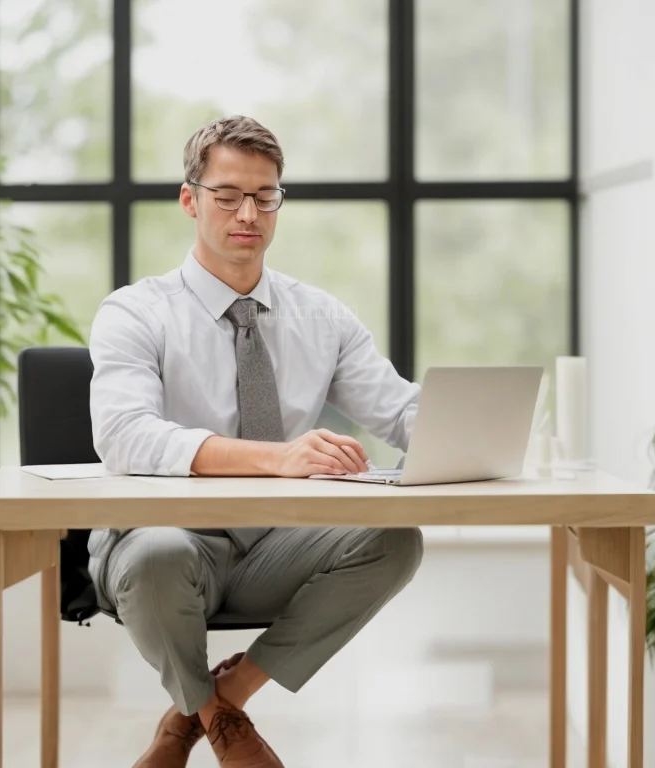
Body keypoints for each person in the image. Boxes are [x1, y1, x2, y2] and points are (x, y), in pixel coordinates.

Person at [87, 115, 424, 768]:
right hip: (163, 544)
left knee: (395, 540)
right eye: (227, 194)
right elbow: (125, 435)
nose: (249, 212)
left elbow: (397, 409)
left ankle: (216, 702)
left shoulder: (322, 316)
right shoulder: (135, 311)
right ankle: (223, 725)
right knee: (157, 555)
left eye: (265, 196)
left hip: (274, 545)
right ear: (190, 199)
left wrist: (478, 432)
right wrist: (280, 459)